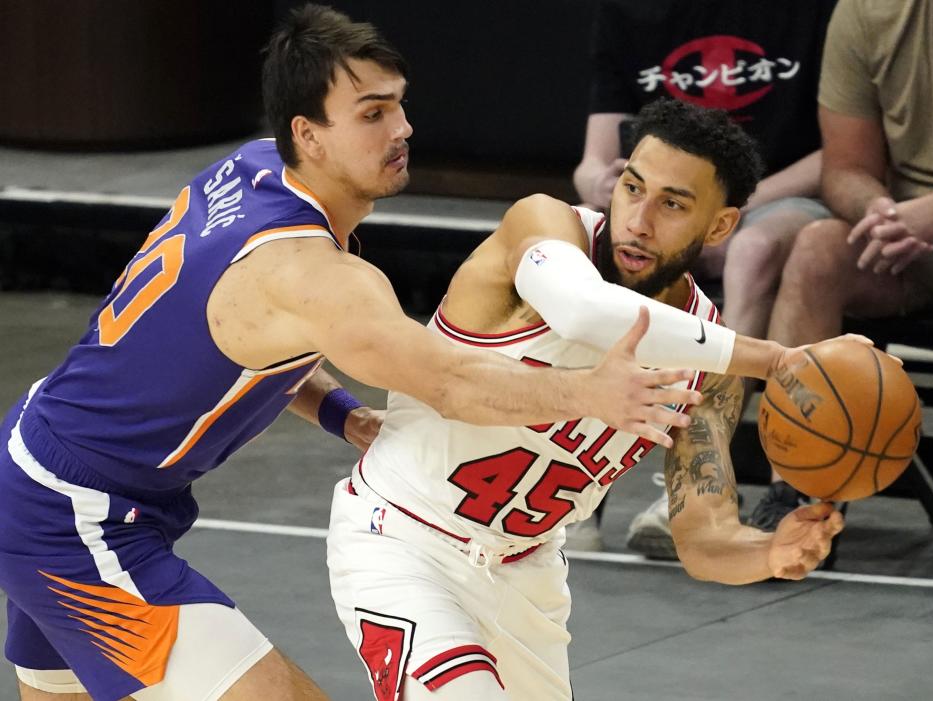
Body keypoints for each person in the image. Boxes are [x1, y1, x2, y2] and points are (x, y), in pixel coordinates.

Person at [0, 7, 729, 701]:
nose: (403, 128)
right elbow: (450, 383)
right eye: (373, 113)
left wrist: (340, 412)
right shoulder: (316, 274)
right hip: (76, 518)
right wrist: (587, 393)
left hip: (45, 455)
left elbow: (238, 339)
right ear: (308, 134)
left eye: (399, 105)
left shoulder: (253, 170)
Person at [327, 99, 850, 701]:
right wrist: (780, 358)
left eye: (673, 204)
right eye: (632, 187)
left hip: (527, 575)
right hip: (403, 539)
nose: (639, 220)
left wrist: (769, 553)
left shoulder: (707, 358)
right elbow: (584, 310)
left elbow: (703, 538)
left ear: (721, 227)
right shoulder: (544, 225)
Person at [571, 0, 838, 556]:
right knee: (591, 245)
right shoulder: (629, 14)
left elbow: (839, 156)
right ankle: (573, 493)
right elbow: (594, 159)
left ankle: (695, 489)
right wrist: (603, 182)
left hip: (779, 200)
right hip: (668, 203)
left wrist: (714, 213)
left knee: (754, 252)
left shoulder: (815, 12)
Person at [746, 0, 933, 584]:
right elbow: (844, 166)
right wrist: (882, 212)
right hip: (915, 244)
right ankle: (798, 499)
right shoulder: (871, 12)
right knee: (817, 248)